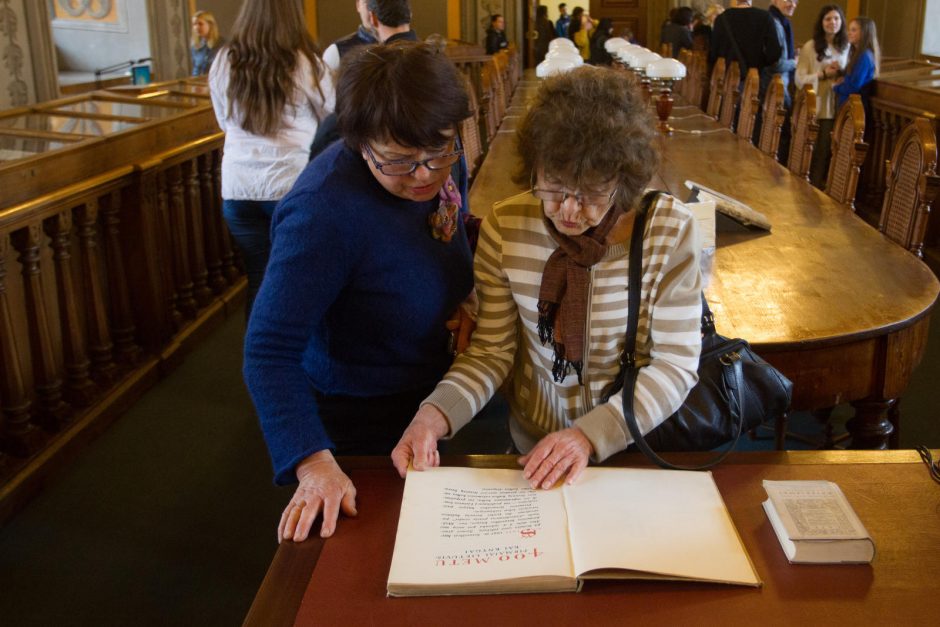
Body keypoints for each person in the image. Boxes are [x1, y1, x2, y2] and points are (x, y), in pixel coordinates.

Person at [393, 67, 703, 489]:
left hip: (637, 448)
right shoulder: (507, 227)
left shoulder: (668, 232)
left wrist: (587, 437)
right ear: (534, 170)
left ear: (624, 180)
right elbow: (491, 351)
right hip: (534, 452)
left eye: (592, 192)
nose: (570, 211)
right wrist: (433, 415)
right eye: (554, 187)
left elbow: (675, 364)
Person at [245, 42, 475, 542]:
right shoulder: (323, 212)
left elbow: (443, 228)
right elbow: (267, 351)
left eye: (438, 154)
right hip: (361, 411)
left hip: (434, 387)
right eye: (398, 161)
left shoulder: (438, 158)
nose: (425, 175)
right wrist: (312, 462)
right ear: (360, 142)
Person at [209, 0, 334, 316]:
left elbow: (224, 121)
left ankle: (257, 359)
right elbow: (330, 119)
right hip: (289, 186)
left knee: (258, 278)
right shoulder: (306, 63)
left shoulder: (225, 60)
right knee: (296, 281)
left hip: (239, 190)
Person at [795, 4, 849, 188]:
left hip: (835, 106)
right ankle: (802, 186)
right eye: (828, 19)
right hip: (814, 105)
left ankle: (817, 188)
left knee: (825, 152)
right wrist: (823, 74)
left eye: (836, 19)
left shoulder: (846, 47)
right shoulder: (810, 47)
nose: (832, 22)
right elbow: (799, 79)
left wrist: (841, 74)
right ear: (821, 22)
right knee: (808, 149)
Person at [708, 0, 781, 91]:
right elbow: (773, 55)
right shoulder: (765, 17)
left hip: (726, 81)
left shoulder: (721, 19)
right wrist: (760, 63)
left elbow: (713, 54)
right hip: (753, 82)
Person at [833, 16, 880, 123]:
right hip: (848, 107)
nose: (849, 33)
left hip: (853, 109)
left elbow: (853, 87)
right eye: (849, 30)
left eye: (853, 30)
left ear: (864, 33)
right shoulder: (857, 54)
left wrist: (836, 87)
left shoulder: (864, 56)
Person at [321, 0, 377, 79]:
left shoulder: (398, 45)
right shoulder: (336, 52)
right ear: (358, 5)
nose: (374, 9)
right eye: (368, 3)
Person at [190, 10, 223, 76]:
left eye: (200, 24)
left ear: (210, 25)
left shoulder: (221, 44)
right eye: (194, 24)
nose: (196, 27)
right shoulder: (195, 46)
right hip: (199, 83)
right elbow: (196, 69)